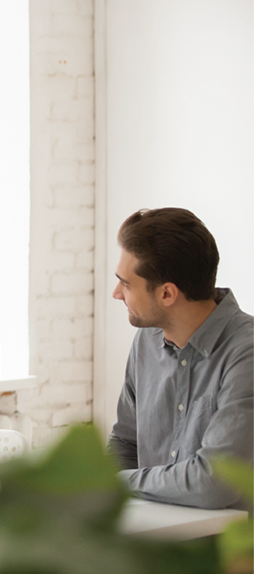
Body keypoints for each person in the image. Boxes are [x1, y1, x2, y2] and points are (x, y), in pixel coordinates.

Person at [107, 208, 254, 509]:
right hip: (156, 537)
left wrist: (120, 482)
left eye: (126, 283)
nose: (116, 293)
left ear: (167, 294)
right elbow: (125, 442)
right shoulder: (146, 340)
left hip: (225, 551)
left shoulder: (246, 352)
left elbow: (213, 483)